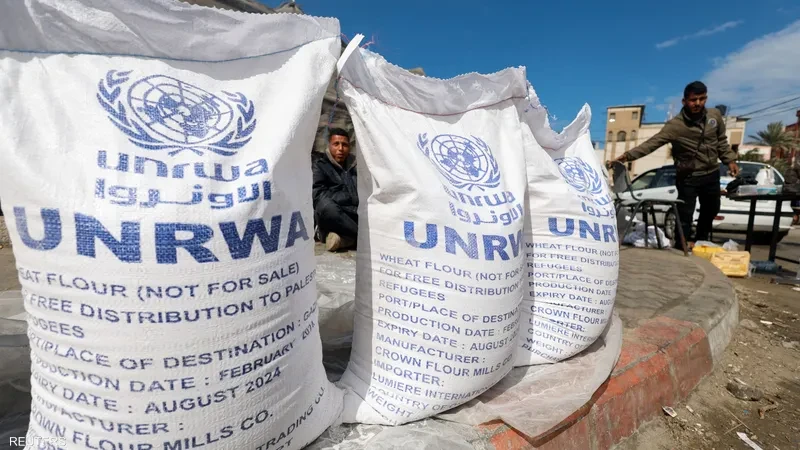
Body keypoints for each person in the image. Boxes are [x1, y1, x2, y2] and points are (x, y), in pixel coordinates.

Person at [609, 81, 739, 247]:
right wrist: (627, 156)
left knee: (712, 208)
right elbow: (652, 144)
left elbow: (721, 141)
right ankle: (681, 244)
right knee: (685, 213)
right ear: (684, 101)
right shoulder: (675, 126)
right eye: (693, 100)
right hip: (688, 176)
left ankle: (702, 240)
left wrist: (730, 161)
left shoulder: (714, 116)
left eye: (702, 99)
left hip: (711, 173)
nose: (698, 103)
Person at [313, 128, 358, 252]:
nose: (340, 149)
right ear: (329, 145)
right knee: (327, 207)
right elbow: (318, 194)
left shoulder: (355, 166)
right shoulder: (320, 165)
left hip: (354, 213)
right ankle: (363, 236)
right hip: (336, 214)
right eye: (336, 144)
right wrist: (349, 198)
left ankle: (344, 240)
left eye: (344, 145)